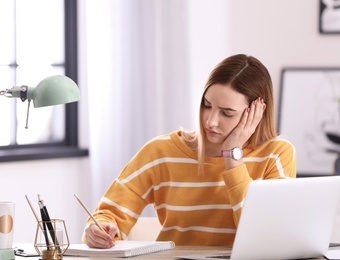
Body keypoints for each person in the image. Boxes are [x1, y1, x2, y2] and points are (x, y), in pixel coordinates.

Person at [82, 54, 296, 248]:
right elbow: (109, 213)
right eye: (206, 104)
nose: (211, 121)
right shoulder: (161, 152)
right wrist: (99, 228)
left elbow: (265, 235)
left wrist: (233, 156)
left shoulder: (277, 154)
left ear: (256, 113)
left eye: (227, 113)